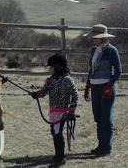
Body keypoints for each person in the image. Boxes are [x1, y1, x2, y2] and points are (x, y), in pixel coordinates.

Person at [30, 54, 79, 166]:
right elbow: (44, 91)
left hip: (62, 112)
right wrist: (35, 94)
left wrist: (71, 111)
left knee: (57, 133)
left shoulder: (67, 80)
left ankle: (61, 157)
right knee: (54, 133)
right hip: (52, 111)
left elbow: (75, 95)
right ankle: (57, 155)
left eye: (51, 67)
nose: (50, 70)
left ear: (58, 67)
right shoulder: (50, 80)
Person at [83, 24, 122, 156]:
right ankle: (101, 145)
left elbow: (118, 70)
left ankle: (107, 147)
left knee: (106, 118)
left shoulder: (112, 50)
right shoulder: (94, 50)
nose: (93, 39)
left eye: (95, 37)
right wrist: (88, 85)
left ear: (102, 38)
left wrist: (109, 86)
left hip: (106, 87)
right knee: (98, 117)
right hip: (94, 86)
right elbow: (91, 69)